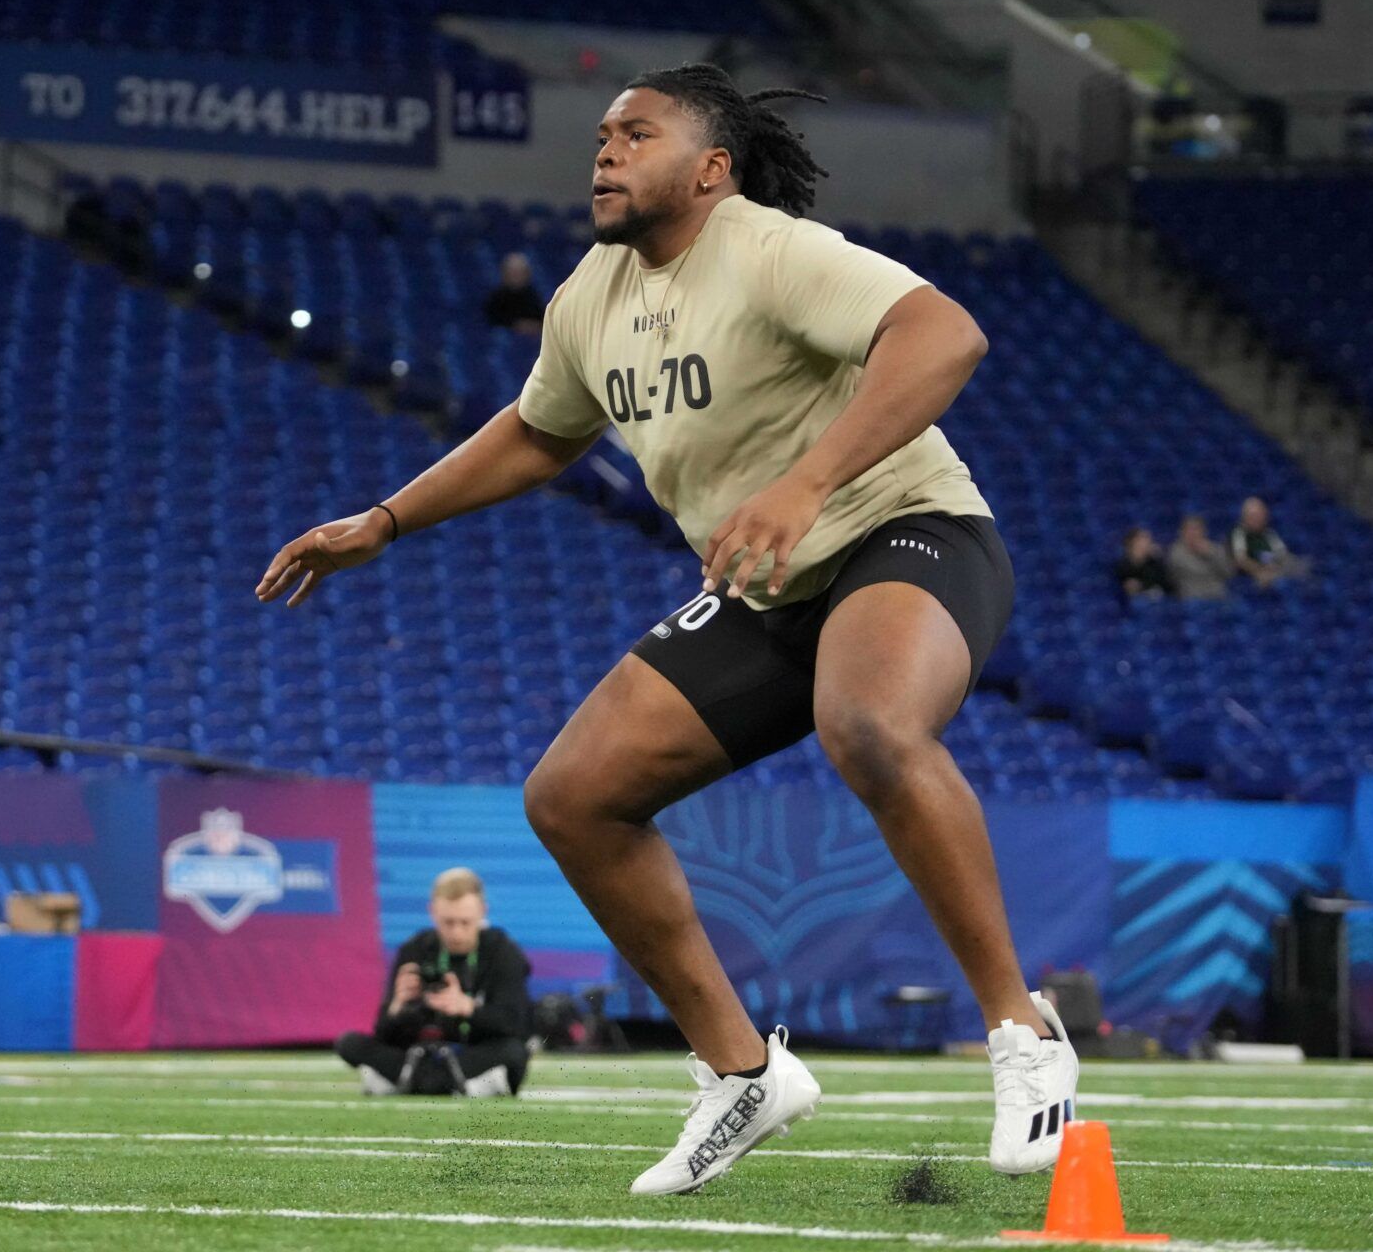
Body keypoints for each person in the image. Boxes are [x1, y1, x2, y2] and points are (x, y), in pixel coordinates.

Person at [256, 61, 1076, 1197]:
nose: (603, 152)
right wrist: (386, 519)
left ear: (710, 168)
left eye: (634, 133)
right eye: (599, 135)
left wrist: (805, 485)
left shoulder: (765, 246)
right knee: (573, 795)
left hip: (906, 531)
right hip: (766, 582)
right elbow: (541, 433)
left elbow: (946, 337)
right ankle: (742, 1072)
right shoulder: (590, 295)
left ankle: (1022, 1028)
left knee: (870, 724)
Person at [333, 867, 532, 1098]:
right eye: (448, 922)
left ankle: (414, 1082)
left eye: (465, 923)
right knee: (348, 1042)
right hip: (418, 1053)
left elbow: (517, 1025)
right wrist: (398, 1005)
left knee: (515, 1052)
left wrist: (466, 1007)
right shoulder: (414, 949)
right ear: (432, 912)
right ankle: (450, 1084)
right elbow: (383, 1033)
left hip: (473, 1053)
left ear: (482, 912)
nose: (456, 933)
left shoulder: (503, 952)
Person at [1229, 497, 1307, 587]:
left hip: (1276, 570)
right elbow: (1241, 560)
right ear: (1244, 517)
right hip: (1251, 576)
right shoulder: (1239, 533)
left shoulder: (1269, 534)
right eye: (1253, 516)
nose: (1257, 519)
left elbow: (1283, 554)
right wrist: (1260, 569)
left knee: (1302, 568)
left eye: (1260, 515)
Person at [1167, 514, 1234, 600]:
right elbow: (1172, 577)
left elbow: (1228, 573)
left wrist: (1210, 554)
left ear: (1203, 531)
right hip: (1191, 598)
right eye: (1189, 529)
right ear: (1182, 532)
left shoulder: (1215, 549)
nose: (1193, 533)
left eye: (1196, 529)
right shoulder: (1175, 552)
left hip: (1217, 596)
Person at [484, 252, 546, 334]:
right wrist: (516, 326)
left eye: (520, 272)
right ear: (504, 274)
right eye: (512, 272)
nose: (516, 276)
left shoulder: (534, 297)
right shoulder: (495, 299)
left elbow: (542, 321)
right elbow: (492, 323)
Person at [1113, 527, 1171, 602]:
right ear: (1133, 542)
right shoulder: (1123, 564)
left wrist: (1160, 558)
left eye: (1149, 539)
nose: (1148, 542)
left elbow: (1166, 585)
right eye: (1143, 539)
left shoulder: (1154, 562)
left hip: (1155, 600)